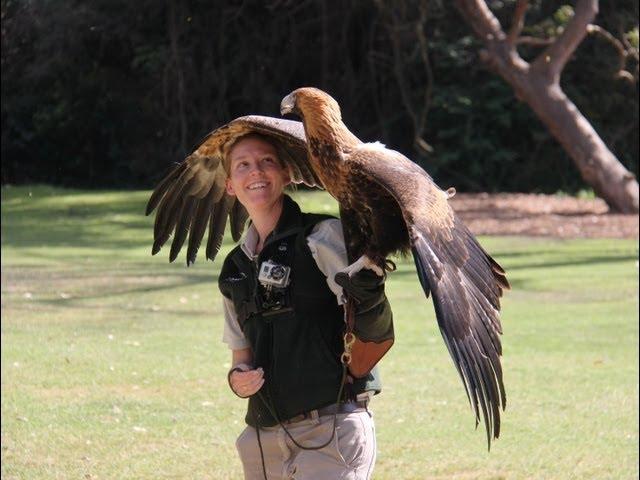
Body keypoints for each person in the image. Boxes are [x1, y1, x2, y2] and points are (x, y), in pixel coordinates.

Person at [218, 133, 394, 480]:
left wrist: (369, 292)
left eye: (267, 161)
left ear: (286, 173)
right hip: (262, 440)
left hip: (329, 430)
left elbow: (374, 329)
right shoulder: (234, 268)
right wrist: (238, 380)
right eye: (243, 165)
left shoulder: (322, 236)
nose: (256, 171)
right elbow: (241, 358)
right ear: (229, 186)